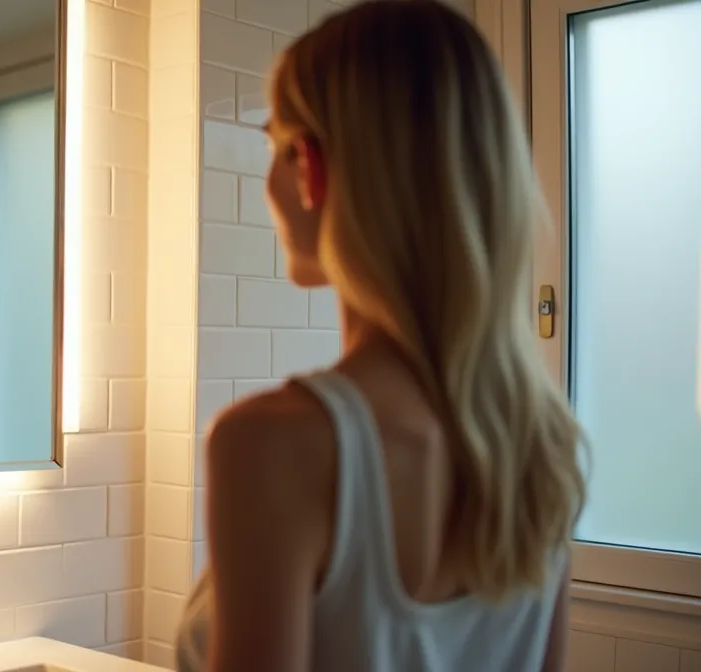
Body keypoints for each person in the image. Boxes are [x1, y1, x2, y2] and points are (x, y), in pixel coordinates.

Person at [175, 1, 586, 671]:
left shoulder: (272, 443)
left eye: (276, 147)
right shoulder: (541, 447)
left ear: (310, 168)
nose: (268, 183)